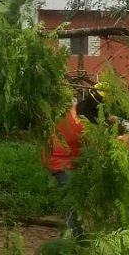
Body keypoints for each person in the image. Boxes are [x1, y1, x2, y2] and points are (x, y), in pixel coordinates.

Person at [42, 94, 100, 233]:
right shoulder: (81, 128)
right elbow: (98, 147)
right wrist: (122, 139)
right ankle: (70, 238)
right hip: (60, 163)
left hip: (56, 156)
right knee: (71, 199)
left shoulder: (72, 109)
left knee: (74, 198)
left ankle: (75, 233)